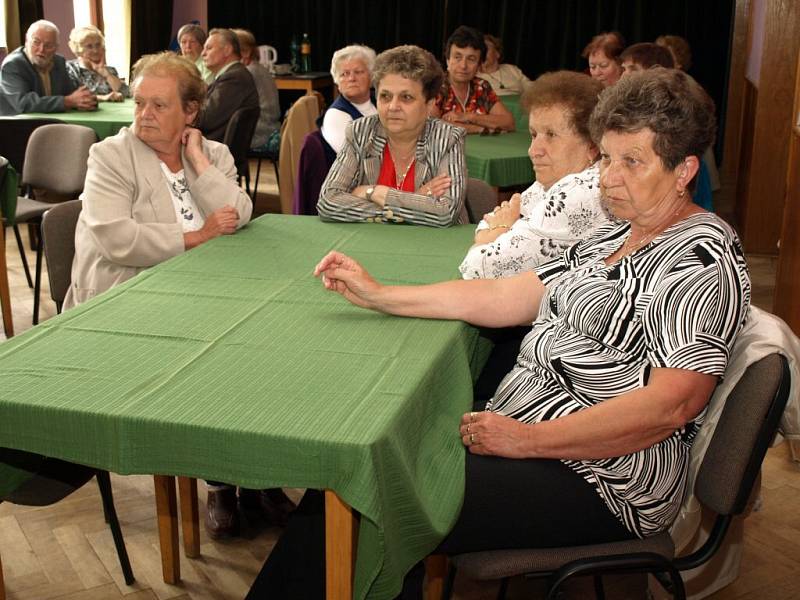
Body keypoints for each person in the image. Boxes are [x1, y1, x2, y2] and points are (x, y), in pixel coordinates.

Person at [248, 67, 752, 599]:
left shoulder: (700, 256)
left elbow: (670, 407)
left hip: (601, 478)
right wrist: (380, 293)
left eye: (632, 162)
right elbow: (509, 295)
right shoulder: (619, 231)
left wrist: (526, 440)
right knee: (363, 467)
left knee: (365, 498)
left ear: (684, 170)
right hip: (535, 442)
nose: (608, 178)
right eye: (606, 157)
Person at [64, 51, 251, 308]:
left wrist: (197, 159)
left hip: (202, 283)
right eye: (139, 103)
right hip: (126, 295)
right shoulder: (109, 156)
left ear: (190, 111)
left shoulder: (212, 154)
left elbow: (239, 213)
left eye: (159, 105)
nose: (145, 114)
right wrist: (199, 236)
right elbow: (117, 239)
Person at [459, 71, 613, 280]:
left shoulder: (580, 191)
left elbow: (476, 268)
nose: (533, 150)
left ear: (592, 145)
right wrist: (498, 229)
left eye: (551, 135)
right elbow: (488, 222)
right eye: (533, 135)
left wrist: (498, 231)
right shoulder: (553, 182)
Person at [317, 45, 466, 227]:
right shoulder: (360, 132)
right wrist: (414, 200)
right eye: (385, 96)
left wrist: (377, 193)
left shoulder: (447, 138)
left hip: (433, 246)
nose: (393, 107)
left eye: (406, 98)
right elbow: (328, 202)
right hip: (373, 243)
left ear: (429, 105)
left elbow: (445, 212)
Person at [0, 19, 96, 115]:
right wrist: (67, 102)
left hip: (52, 121)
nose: (41, 49)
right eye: (36, 42)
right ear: (26, 41)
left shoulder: (58, 61)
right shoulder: (13, 65)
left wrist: (86, 99)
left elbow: (72, 93)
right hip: (17, 124)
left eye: (48, 45)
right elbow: (24, 104)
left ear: (56, 47)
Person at [430, 26, 514, 134]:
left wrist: (468, 117)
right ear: (447, 60)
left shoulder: (481, 86)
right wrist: (479, 129)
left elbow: (509, 123)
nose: (463, 65)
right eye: (457, 57)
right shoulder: (435, 86)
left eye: (471, 59)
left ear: (479, 65)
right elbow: (432, 124)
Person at [196, 28, 259, 143]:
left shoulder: (234, 78)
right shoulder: (232, 75)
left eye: (209, 48)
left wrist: (182, 110)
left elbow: (206, 119)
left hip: (213, 149)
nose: (202, 53)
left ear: (227, 50)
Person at [320, 44, 378, 154]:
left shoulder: (381, 102)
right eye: (345, 74)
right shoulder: (335, 116)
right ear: (337, 82)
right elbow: (359, 160)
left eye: (358, 72)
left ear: (371, 76)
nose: (351, 78)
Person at [232, 28, 281, 154]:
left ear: (246, 52)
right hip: (271, 127)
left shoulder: (248, 73)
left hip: (259, 132)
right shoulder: (259, 69)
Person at [66, 25, 129, 101]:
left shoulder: (110, 70)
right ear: (78, 50)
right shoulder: (70, 69)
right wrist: (104, 98)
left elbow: (126, 93)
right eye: (89, 46)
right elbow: (71, 97)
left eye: (98, 45)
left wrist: (105, 73)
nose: (95, 51)